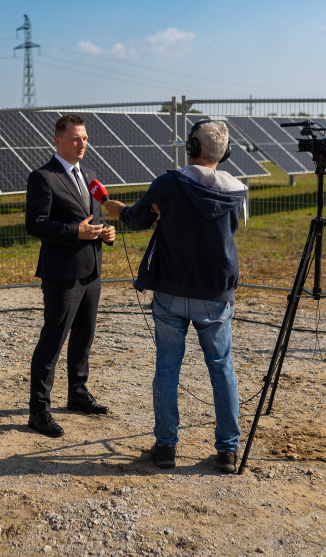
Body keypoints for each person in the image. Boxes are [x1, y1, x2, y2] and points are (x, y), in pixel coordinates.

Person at [102, 120, 247, 472]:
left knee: (167, 367)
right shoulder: (237, 190)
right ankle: (228, 450)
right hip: (215, 293)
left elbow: (137, 220)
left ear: (191, 147)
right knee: (222, 369)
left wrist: (119, 211)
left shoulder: (168, 184)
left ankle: (166, 447)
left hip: (170, 291)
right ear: (224, 153)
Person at [25, 113, 116, 438]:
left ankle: (77, 393)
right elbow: (35, 224)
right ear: (58, 141)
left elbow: (93, 217)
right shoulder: (44, 177)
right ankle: (39, 411)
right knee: (53, 339)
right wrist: (74, 232)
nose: (82, 143)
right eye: (76, 138)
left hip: (91, 271)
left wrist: (106, 231)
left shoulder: (89, 175)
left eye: (85, 138)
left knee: (84, 336)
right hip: (62, 274)